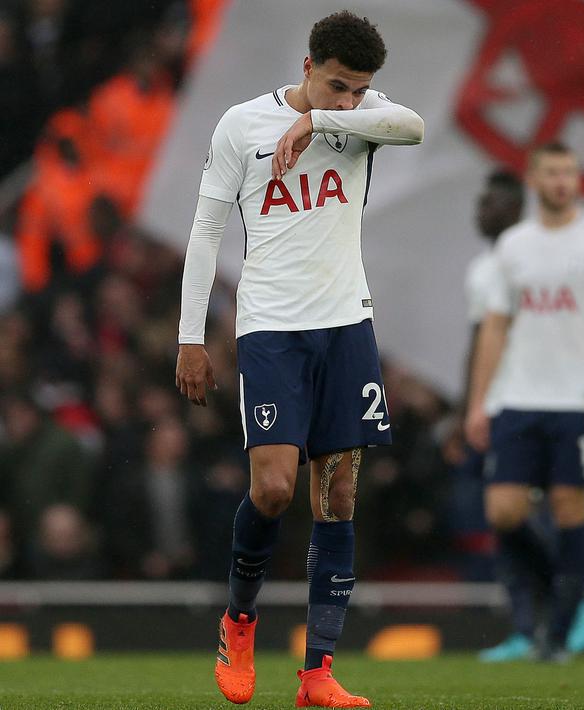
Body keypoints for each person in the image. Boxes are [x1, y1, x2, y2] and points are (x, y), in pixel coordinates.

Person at [174, 11, 423, 707]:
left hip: (348, 326)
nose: (350, 101)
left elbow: (414, 127)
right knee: (276, 490)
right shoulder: (240, 125)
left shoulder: (362, 116)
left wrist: (322, 122)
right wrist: (191, 336)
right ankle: (240, 620)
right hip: (272, 330)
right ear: (309, 65)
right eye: (338, 87)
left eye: (359, 90)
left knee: (339, 496)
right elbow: (204, 232)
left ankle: (317, 673)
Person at [465, 141, 584, 662]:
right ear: (534, 180)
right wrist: (479, 402)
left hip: (580, 399)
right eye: (552, 173)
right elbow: (494, 327)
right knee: (503, 510)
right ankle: (566, 591)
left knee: (571, 509)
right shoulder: (514, 247)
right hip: (518, 398)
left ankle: (557, 636)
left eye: (570, 172)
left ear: (578, 180)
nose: (563, 181)